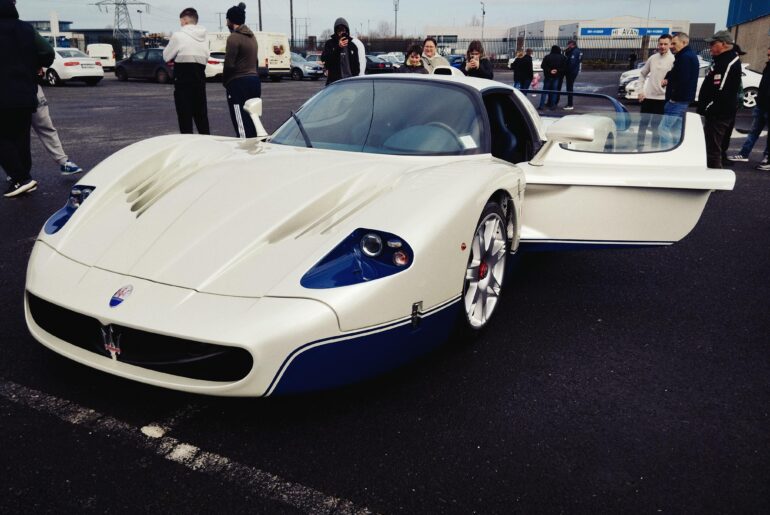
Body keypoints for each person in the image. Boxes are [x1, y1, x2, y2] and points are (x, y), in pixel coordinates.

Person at [0, 0, 54, 197]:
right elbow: (48, 53)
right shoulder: (26, 29)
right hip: (25, 92)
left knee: (4, 138)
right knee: (20, 137)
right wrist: (34, 63)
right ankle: (22, 179)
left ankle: (22, 178)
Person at [697, 30, 742, 169]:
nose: (710, 47)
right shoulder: (721, 60)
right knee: (709, 146)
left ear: (723, 44)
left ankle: (714, 181)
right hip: (715, 112)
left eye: (713, 44)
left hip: (719, 113)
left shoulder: (728, 62)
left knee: (713, 149)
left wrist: (709, 107)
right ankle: (709, 175)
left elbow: (721, 90)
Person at [163, 7, 210, 135]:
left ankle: (188, 149)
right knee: (202, 118)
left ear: (185, 20)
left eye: (181, 21)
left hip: (183, 81)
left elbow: (166, 56)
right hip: (199, 79)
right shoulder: (205, 37)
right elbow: (206, 57)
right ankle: (208, 146)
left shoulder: (178, 36)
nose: (180, 24)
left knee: (185, 119)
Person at [728, 45, 770, 170]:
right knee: (753, 131)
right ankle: (744, 153)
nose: (768, 57)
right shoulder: (768, 66)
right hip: (761, 105)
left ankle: (767, 158)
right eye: (768, 54)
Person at [223, 3, 261, 138]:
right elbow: (255, 61)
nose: (226, 22)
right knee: (253, 117)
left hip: (238, 82)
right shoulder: (252, 37)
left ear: (230, 21)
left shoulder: (233, 38)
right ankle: (256, 147)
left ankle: (244, 149)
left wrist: (225, 82)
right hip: (254, 81)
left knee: (240, 121)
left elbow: (229, 64)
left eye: (227, 19)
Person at [658, 32, 699, 148]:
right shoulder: (687, 55)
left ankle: (665, 153)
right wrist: (668, 77)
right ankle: (677, 152)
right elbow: (676, 74)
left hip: (677, 101)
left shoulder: (685, 57)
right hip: (682, 100)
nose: (671, 46)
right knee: (676, 130)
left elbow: (682, 79)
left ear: (684, 43)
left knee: (663, 128)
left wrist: (673, 98)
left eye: (674, 43)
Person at [32, 85, 83, 175]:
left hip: (31, 86)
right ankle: (16, 171)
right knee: (16, 133)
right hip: (9, 89)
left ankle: (64, 162)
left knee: (45, 125)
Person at [636, 34, 675, 148]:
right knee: (642, 125)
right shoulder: (652, 58)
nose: (662, 46)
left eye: (665, 44)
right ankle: (639, 147)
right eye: (660, 44)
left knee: (656, 126)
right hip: (647, 97)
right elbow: (643, 74)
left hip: (662, 99)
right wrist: (640, 91)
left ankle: (654, 148)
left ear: (670, 45)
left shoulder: (673, 60)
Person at [321, 18, 366, 85]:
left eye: (343, 30)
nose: (341, 32)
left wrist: (354, 78)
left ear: (347, 31)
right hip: (334, 82)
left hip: (349, 82)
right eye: (339, 30)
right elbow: (325, 60)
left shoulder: (352, 46)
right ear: (336, 31)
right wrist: (338, 48)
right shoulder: (330, 44)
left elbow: (357, 66)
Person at [539, 45, 566, 110]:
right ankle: (553, 105)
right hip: (557, 76)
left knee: (544, 91)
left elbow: (543, 66)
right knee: (554, 91)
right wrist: (557, 70)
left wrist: (550, 70)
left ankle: (541, 105)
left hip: (548, 76)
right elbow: (564, 67)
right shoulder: (562, 57)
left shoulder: (547, 57)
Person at [562, 40, 582, 110]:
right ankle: (569, 103)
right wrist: (567, 51)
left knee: (569, 88)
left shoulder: (574, 51)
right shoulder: (578, 51)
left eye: (568, 44)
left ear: (571, 44)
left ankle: (570, 104)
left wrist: (566, 71)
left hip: (571, 72)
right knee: (569, 87)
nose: (567, 45)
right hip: (574, 71)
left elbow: (571, 63)